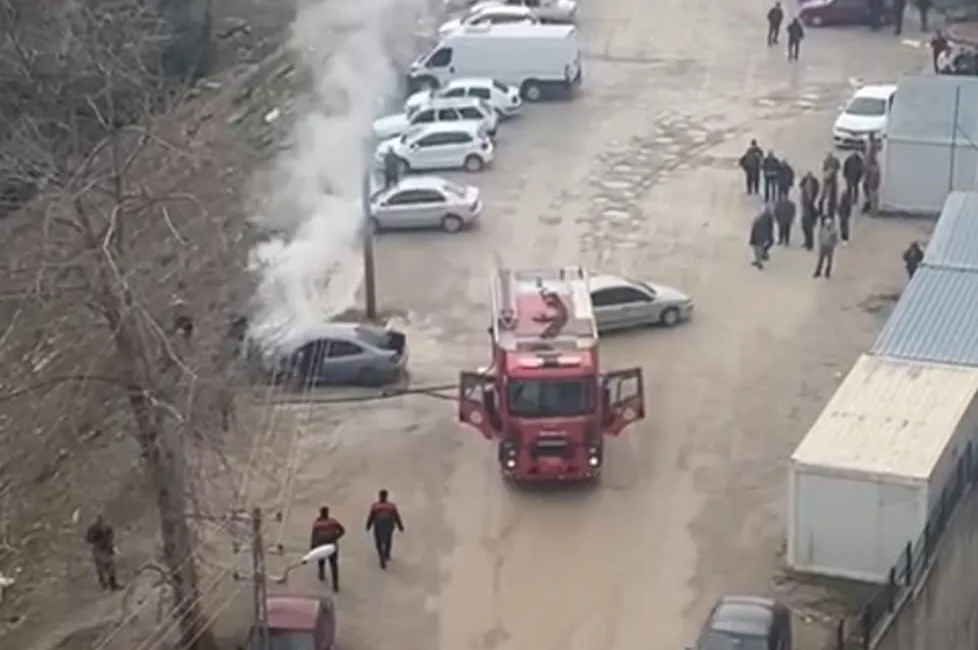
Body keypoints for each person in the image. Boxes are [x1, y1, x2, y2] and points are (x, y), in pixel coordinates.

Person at [365, 489, 405, 569]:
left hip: (379, 525)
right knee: (388, 539)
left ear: (379, 496)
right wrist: (400, 526)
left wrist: (368, 526)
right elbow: (396, 516)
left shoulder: (375, 506)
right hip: (388, 525)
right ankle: (386, 554)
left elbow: (371, 516)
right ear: (386, 496)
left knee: (379, 541)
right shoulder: (391, 506)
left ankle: (382, 556)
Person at [310, 507, 345, 592]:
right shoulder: (332, 522)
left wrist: (312, 547)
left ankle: (322, 574)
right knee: (333, 565)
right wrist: (335, 537)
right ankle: (335, 584)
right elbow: (342, 530)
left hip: (322, 545)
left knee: (322, 560)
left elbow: (314, 536)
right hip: (331, 545)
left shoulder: (317, 524)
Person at [85, 514, 120, 591]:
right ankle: (104, 584)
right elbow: (88, 539)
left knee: (110, 566)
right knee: (101, 568)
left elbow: (111, 539)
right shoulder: (94, 530)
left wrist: (112, 547)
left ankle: (112, 584)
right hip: (99, 549)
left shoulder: (108, 529)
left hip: (106, 548)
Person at [799, 171, 820, 251]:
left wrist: (813, 220)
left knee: (809, 231)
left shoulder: (811, 204)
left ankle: (810, 245)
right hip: (805, 214)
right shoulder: (804, 184)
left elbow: (817, 188)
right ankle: (806, 242)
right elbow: (800, 185)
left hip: (809, 217)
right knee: (804, 228)